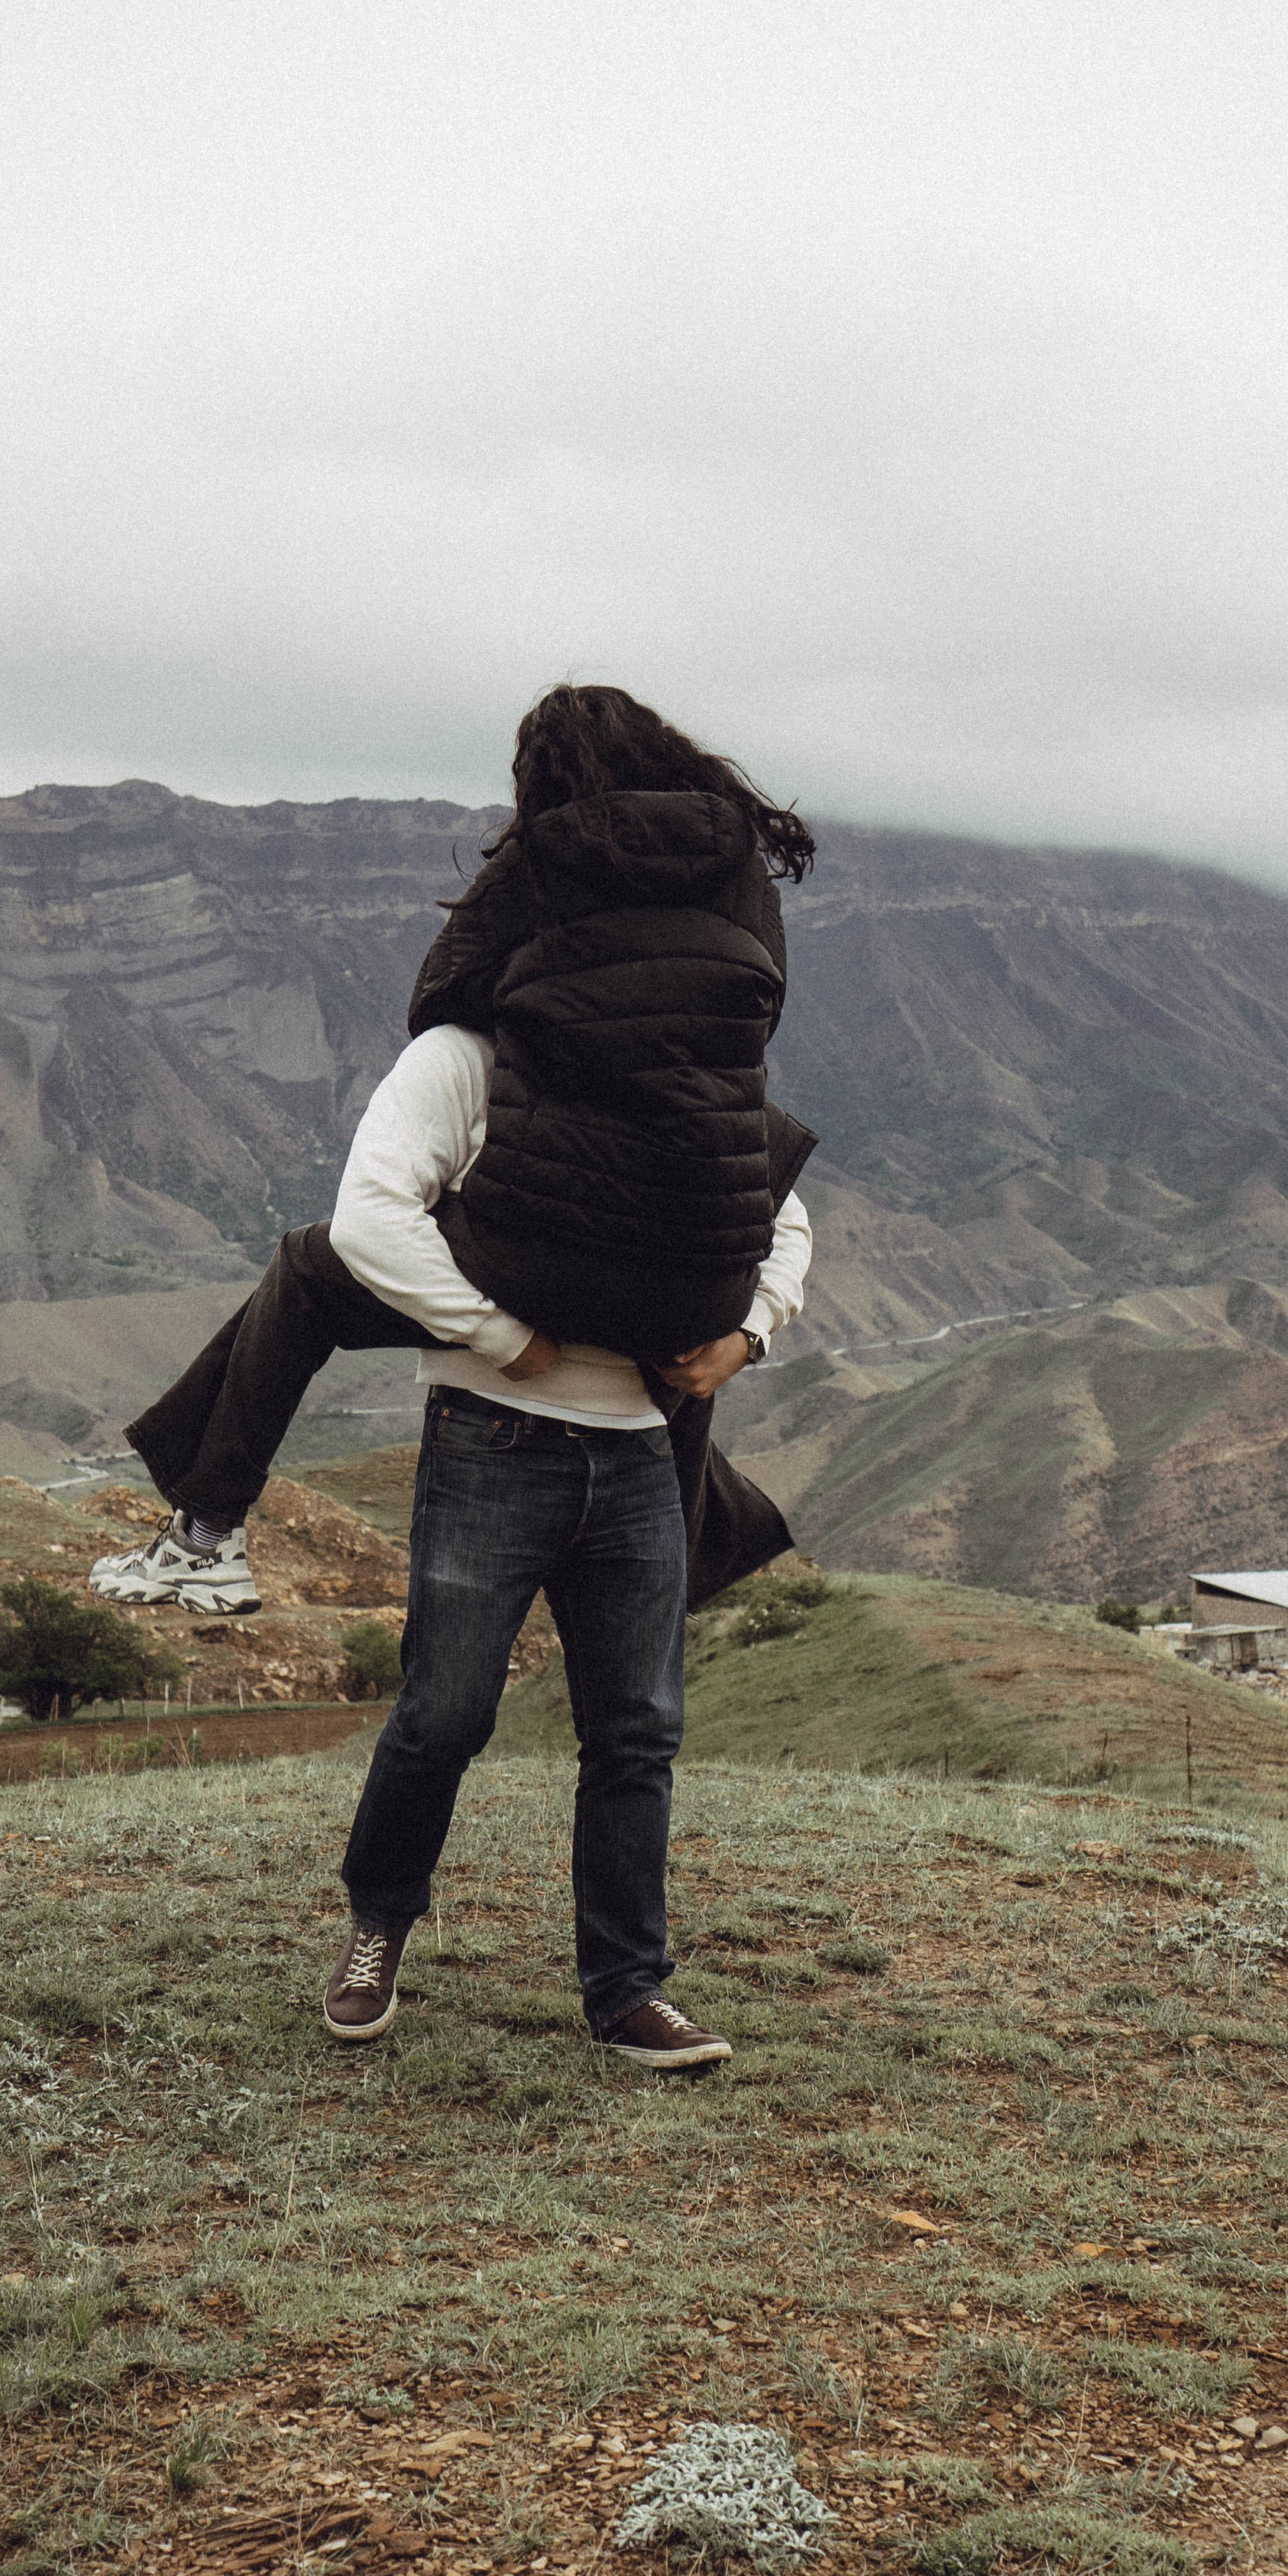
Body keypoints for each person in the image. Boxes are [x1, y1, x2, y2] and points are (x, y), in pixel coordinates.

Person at [92, 686, 817, 2072]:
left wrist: (748, 1336)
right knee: (443, 1716)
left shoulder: (685, 1096)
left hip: (637, 1452)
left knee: (638, 1734)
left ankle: (629, 1991)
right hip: (499, 1440)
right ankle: (377, 1931)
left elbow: (781, 1215)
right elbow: (376, 1214)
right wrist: (502, 1339)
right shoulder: (469, 1063)